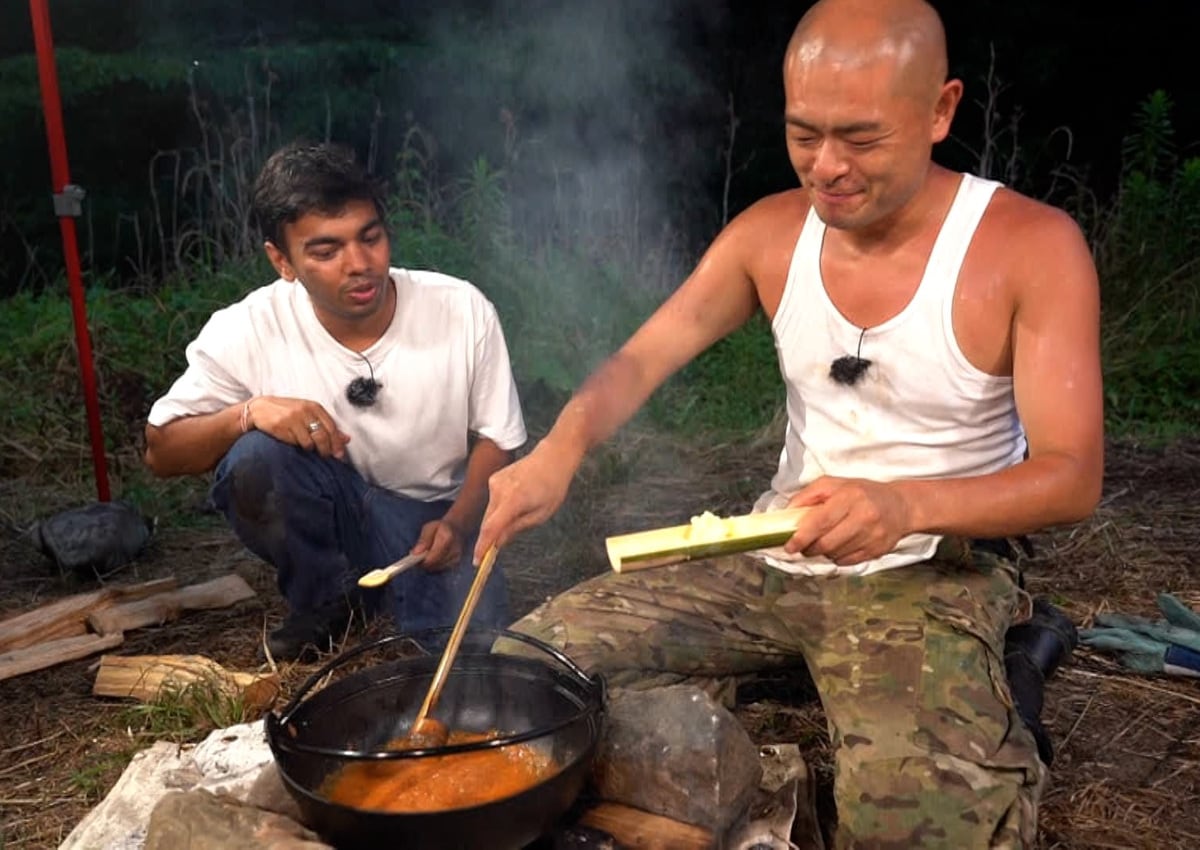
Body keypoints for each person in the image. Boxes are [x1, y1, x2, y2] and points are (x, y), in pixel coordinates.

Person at [474, 0, 1103, 846]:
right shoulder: (769, 233)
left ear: (942, 110)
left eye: (862, 138)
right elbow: (640, 361)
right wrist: (560, 449)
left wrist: (903, 506)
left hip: (929, 566)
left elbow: (1071, 476)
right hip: (773, 551)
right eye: (804, 134)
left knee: (920, 829)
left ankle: (1006, 671)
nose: (828, 167)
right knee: (520, 677)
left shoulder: (1030, 246)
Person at [144, 141, 526, 661]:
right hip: (330, 504)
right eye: (326, 252)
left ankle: (394, 594)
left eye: (370, 238)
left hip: (430, 519)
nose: (360, 264)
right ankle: (327, 599)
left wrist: (459, 523)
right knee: (255, 458)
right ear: (282, 260)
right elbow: (161, 450)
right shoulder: (250, 327)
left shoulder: (461, 310)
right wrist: (249, 413)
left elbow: (497, 439)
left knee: (468, 654)